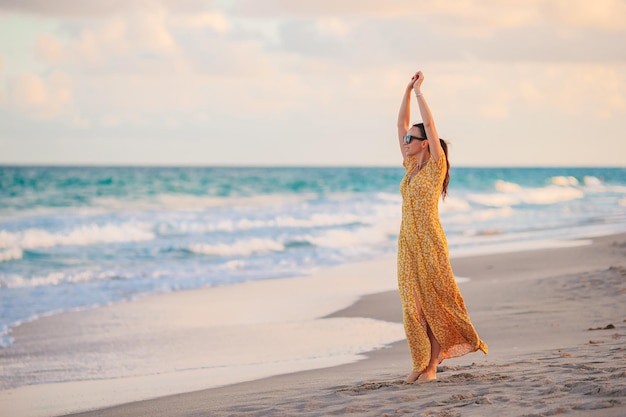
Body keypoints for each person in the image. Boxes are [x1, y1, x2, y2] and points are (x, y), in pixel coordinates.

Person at [396, 70, 488, 383]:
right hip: (407, 244)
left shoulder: (435, 167)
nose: (405, 141)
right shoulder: (411, 165)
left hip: (430, 242)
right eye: (406, 138)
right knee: (412, 305)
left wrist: (420, 92)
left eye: (412, 138)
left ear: (425, 144)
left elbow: (431, 126)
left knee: (434, 304)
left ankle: (430, 367)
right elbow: (399, 124)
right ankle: (420, 362)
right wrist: (406, 91)